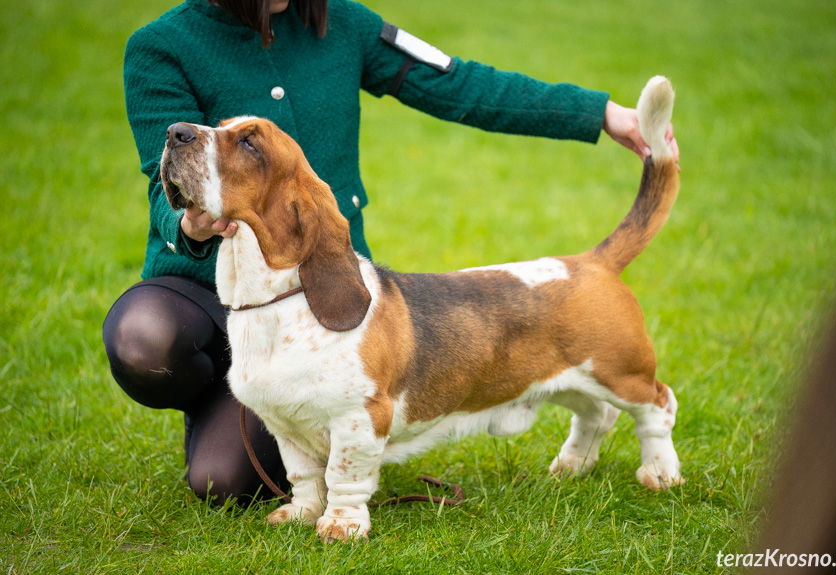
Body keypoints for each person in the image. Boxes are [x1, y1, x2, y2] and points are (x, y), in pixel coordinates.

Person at [102, 0, 679, 506]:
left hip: (324, 290)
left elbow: (459, 83)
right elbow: (164, 184)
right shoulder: (161, 46)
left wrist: (599, 114)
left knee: (222, 483)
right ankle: (223, 394)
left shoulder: (343, 23)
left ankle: (241, 420)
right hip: (204, 287)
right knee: (145, 338)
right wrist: (192, 224)